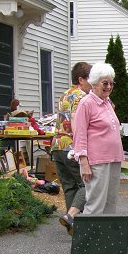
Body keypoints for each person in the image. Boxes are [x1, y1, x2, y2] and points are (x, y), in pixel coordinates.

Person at [72, 62, 124, 214]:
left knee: (110, 204)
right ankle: (90, 231)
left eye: (111, 83)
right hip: (97, 161)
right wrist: (83, 163)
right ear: (94, 83)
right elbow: (79, 134)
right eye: (105, 83)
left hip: (114, 159)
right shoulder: (86, 103)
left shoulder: (107, 102)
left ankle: (108, 230)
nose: (109, 87)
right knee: (95, 204)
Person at [51, 62, 92, 235]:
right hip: (71, 146)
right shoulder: (82, 97)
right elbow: (78, 124)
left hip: (57, 146)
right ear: (81, 79)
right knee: (87, 184)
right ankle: (71, 217)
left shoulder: (64, 95)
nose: (92, 83)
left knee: (69, 186)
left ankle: (72, 226)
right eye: (90, 79)